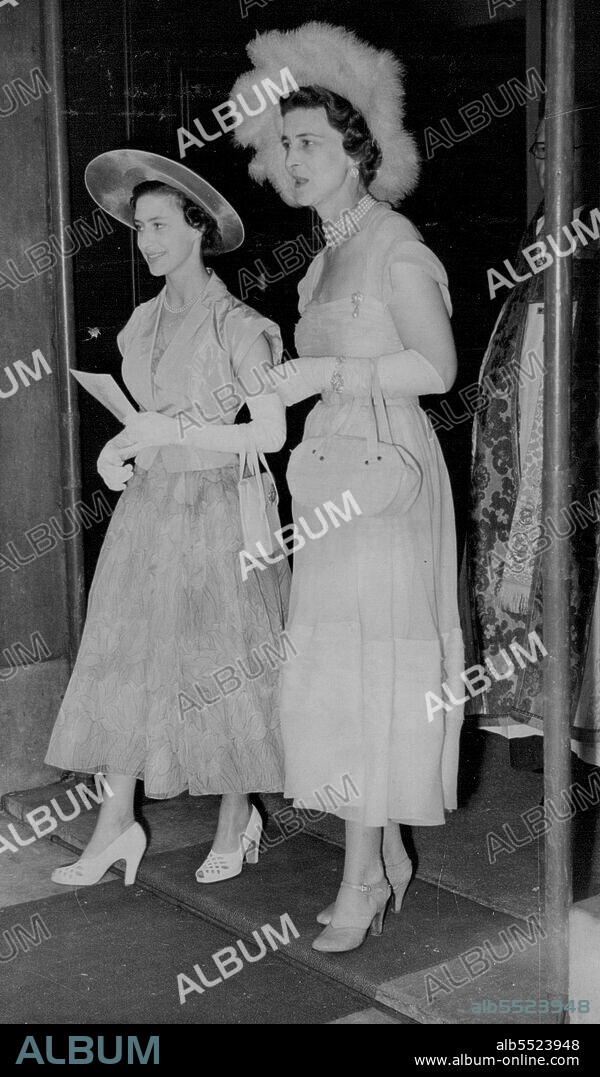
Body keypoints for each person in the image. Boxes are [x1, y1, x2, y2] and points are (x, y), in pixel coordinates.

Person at [231, 22, 465, 952]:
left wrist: (332, 378)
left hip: (390, 476)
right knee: (337, 671)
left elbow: (438, 369)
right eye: (282, 145)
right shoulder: (322, 260)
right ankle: (384, 851)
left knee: (376, 667)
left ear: (358, 150)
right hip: (329, 474)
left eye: (308, 144)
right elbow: (315, 369)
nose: (290, 160)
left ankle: (364, 875)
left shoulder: (396, 242)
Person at [45, 150, 291, 886]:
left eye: (158, 225)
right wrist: (115, 454)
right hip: (150, 512)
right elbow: (143, 420)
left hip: (218, 509)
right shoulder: (141, 322)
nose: (146, 240)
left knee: (224, 664)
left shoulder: (240, 324)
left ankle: (236, 814)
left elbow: (272, 433)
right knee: (125, 661)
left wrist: (171, 435)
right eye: (139, 227)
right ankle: (115, 824)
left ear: (197, 229)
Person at [461, 109, 600, 769]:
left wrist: (521, 553)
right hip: (515, 491)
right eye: (540, 145)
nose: (546, 158)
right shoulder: (542, 231)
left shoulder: (575, 241)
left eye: (561, 146)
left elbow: (548, 405)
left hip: (541, 502)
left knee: (555, 671)